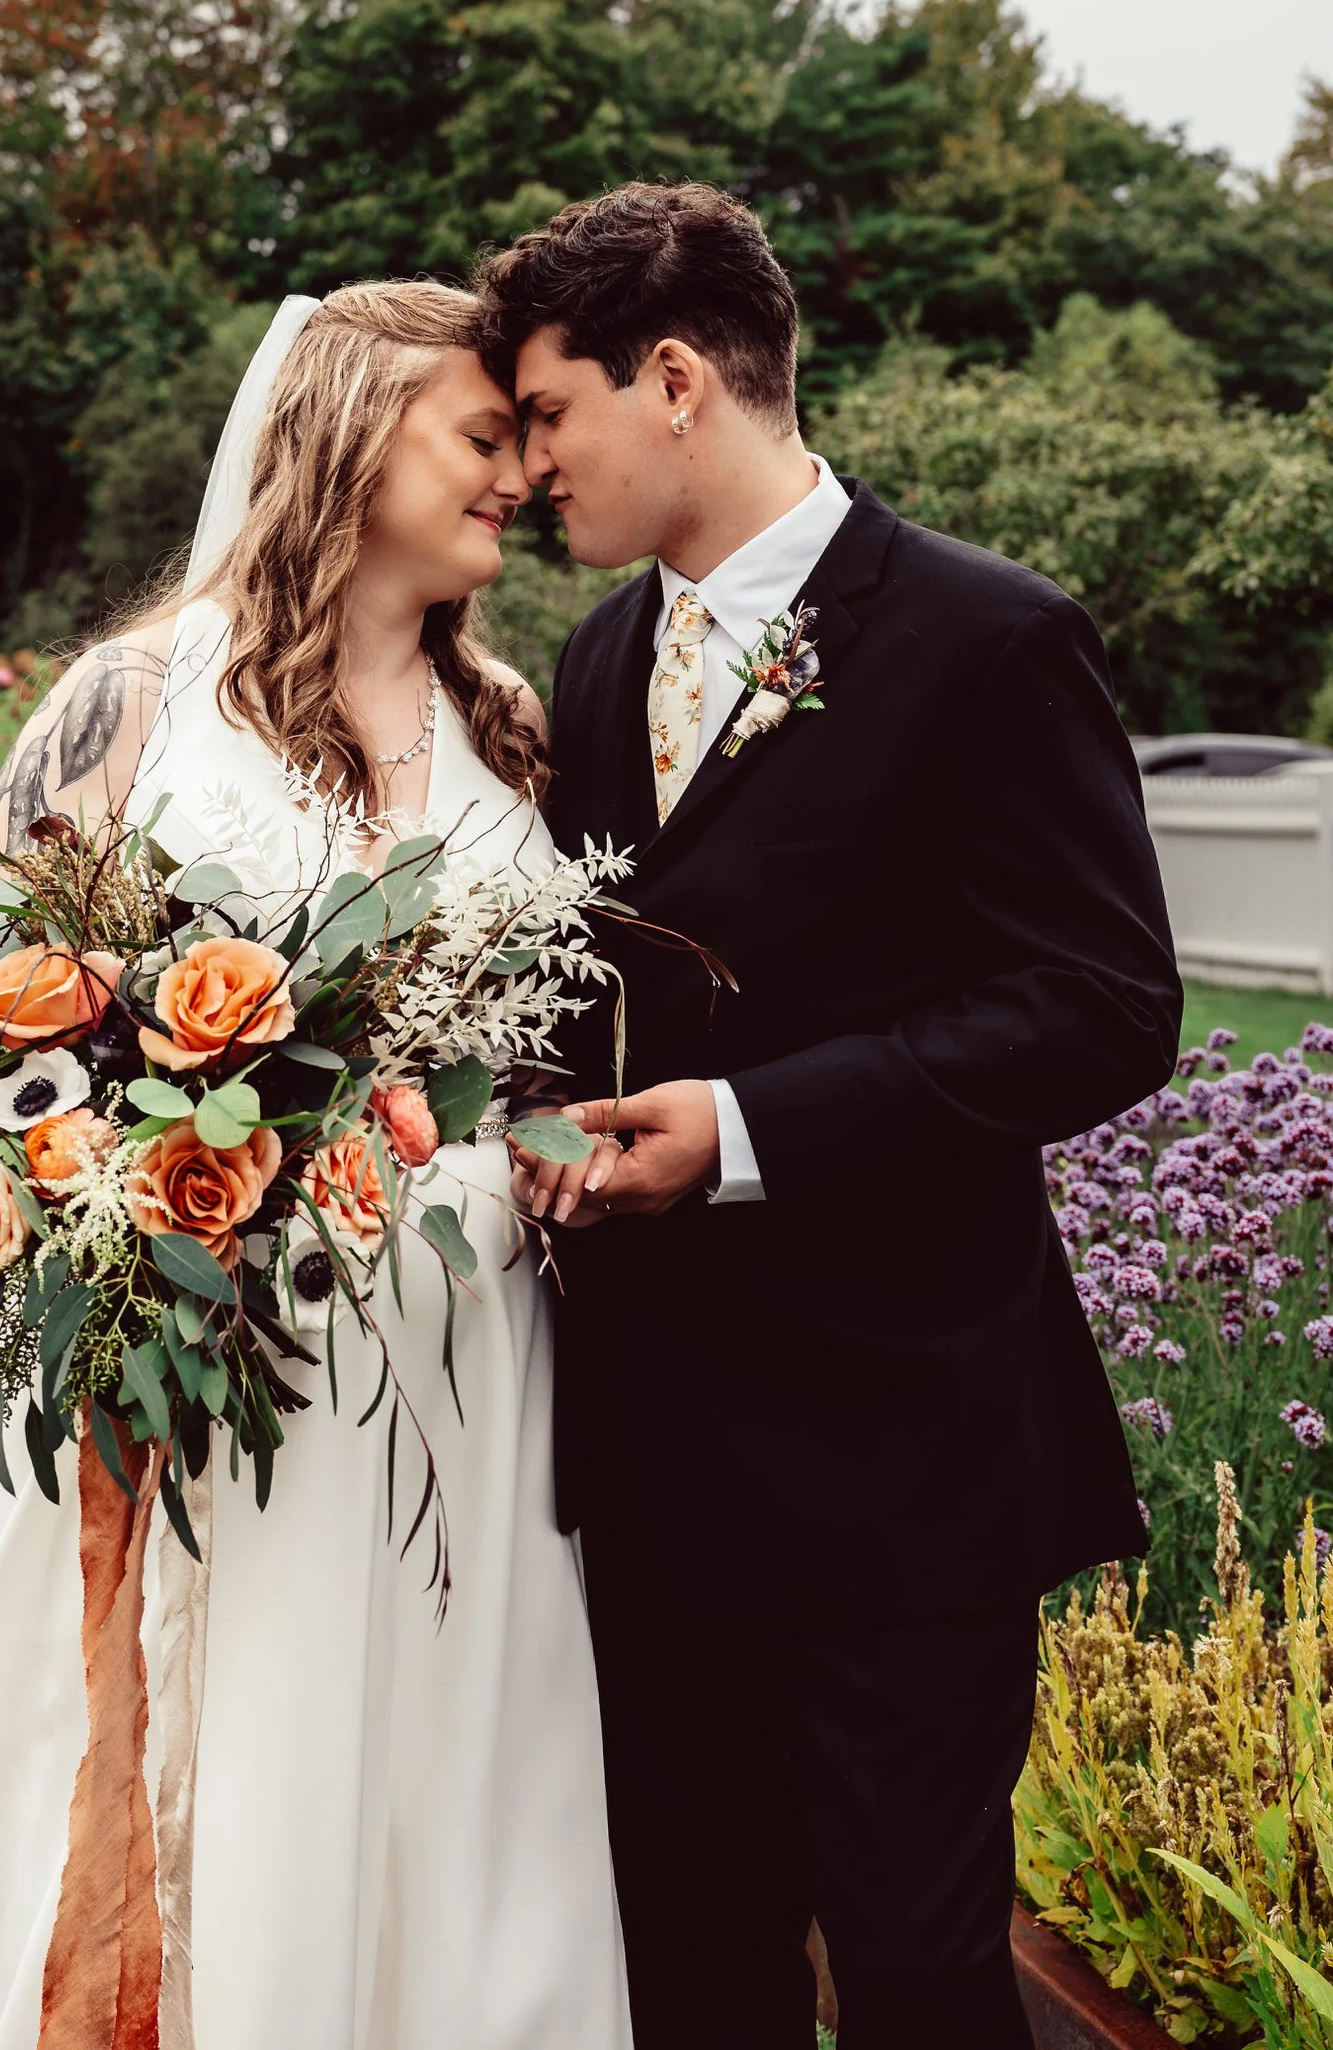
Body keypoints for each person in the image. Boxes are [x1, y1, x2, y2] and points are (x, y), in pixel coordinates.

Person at [0, 282, 634, 2050]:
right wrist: (117, 1171)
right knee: (191, 1737)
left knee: (436, 1778)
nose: (517, 475)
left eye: (518, 438)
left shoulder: (511, 725)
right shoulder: (132, 698)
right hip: (187, 1335)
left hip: (452, 1357)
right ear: (349, 437)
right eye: (478, 436)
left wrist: (519, 1152)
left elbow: (547, 1046)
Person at [485, 182, 1183, 2050]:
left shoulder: (990, 637)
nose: (527, 463)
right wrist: (534, 1120)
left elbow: (1103, 1007)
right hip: (653, 1465)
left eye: (551, 413)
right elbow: (586, 978)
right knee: (691, 1965)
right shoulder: (600, 661)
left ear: (678, 379)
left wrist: (745, 1128)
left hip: (901, 1463)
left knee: (914, 1975)